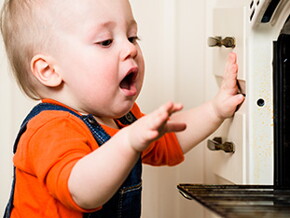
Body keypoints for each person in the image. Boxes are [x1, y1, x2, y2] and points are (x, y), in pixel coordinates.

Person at [0, 0, 245, 217]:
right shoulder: (50, 129)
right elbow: (80, 192)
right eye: (106, 41)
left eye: (132, 37)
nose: (130, 49)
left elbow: (168, 140)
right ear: (49, 71)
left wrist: (215, 110)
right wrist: (129, 142)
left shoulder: (121, 120)